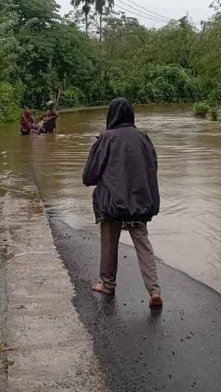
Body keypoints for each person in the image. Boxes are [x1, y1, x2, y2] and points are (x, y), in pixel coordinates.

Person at [82, 98, 162, 308]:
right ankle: (154, 290)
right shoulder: (143, 138)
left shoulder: (106, 139)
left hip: (112, 203)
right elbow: (152, 168)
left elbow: (90, 175)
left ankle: (107, 285)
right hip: (139, 203)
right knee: (143, 244)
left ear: (111, 115)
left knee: (109, 243)